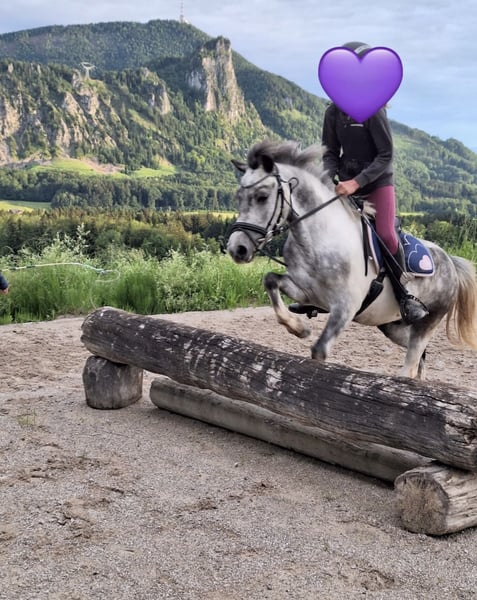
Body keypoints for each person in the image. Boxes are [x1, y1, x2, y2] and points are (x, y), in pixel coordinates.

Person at [290, 41, 428, 324]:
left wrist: (356, 183)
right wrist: (328, 177)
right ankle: (314, 292)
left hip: (378, 183)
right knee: (323, 228)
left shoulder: (375, 111)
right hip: (344, 182)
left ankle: (404, 297)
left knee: (386, 234)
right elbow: (330, 151)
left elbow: (386, 155)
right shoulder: (332, 112)